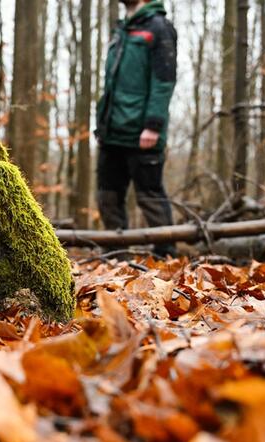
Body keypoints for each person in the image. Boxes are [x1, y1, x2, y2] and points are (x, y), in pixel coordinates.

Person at [94, 0, 177, 256]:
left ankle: (167, 257)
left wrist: (153, 125)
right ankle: (116, 257)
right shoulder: (122, 30)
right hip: (112, 132)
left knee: (150, 196)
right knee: (107, 197)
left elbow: (164, 81)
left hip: (143, 133)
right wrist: (102, 124)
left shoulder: (159, 27)